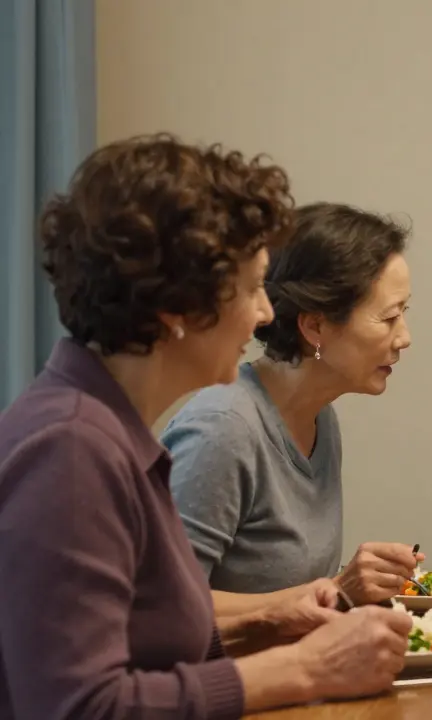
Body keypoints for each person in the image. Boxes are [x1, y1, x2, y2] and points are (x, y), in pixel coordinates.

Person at [0, 134, 411, 718]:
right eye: (249, 289)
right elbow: (81, 707)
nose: (267, 313)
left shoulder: (108, 433)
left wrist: (270, 621)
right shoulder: (68, 452)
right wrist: (302, 667)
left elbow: (147, 650)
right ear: (179, 310)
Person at [159, 201, 420, 608]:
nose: (404, 337)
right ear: (314, 325)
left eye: (404, 313)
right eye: (388, 318)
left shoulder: (320, 417)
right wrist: (336, 592)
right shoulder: (222, 429)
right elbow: (166, 609)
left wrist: (349, 588)